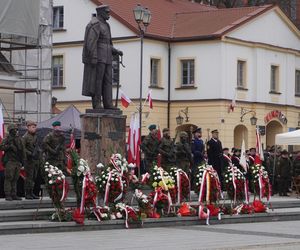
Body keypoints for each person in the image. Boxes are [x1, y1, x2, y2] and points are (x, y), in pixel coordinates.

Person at [82, 5, 123, 109]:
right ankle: (97, 104)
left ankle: (108, 104)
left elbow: (108, 43)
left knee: (108, 81)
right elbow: (91, 43)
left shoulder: (107, 25)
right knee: (97, 81)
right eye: (107, 12)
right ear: (101, 13)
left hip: (108, 57)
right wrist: (94, 57)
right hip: (98, 58)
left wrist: (115, 51)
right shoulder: (95, 24)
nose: (109, 14)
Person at [0, 124, 25, 201]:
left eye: (16, 129)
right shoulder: (7, 138)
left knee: (15, 178)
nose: (15, 131)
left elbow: (22, 150)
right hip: (10, 161)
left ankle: (14, 194)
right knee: (9, 178)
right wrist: (10, 146)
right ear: (10, 131)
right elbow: (1, 147)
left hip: (17, 161)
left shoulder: (19, 139)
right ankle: (8, 194)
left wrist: (23, 161)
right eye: (13, 130)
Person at [22, 121, 41, 199]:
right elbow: (22, 148)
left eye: (35, 127)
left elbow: (37, 147)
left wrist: (38, 152)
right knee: (29, 177)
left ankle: (31, 192)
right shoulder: (25, 137)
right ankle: (27, 193)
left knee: (33, 177)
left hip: (35, 160)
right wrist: (30, 153)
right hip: (29, 160)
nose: (34, 128)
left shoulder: (35, 136)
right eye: (33, 127)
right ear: (28, 127)